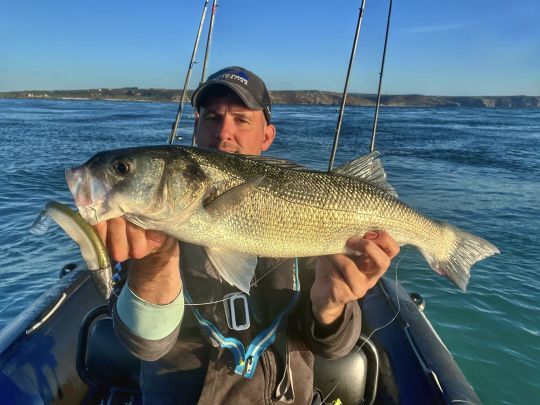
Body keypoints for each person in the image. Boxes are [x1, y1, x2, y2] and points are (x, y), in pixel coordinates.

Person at [96, 66, 399, 404]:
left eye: (241, 120)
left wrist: (331, 308)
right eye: (211, 117)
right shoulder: (144, 223)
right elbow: (144, 345)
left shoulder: (315, 216)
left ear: (267, 136)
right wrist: (153, 266)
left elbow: (335, 346)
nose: (223, 133)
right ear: (196, 127)